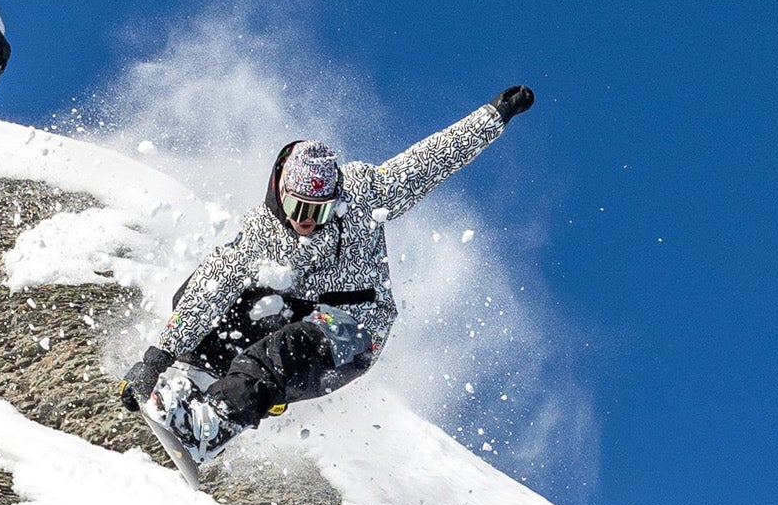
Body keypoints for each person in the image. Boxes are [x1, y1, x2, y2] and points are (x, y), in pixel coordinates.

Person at [122, 84, 535, 464]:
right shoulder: (259, 233)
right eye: (299, 209)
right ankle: (194, 378)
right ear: (280, 194)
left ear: (335, 201)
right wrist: (155, 359)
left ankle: (213, 426)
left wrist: (494, 116)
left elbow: (427, 162)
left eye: (318, 212)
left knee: (284, 349)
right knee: (208, 293)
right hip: (296, 310)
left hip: (354, 330)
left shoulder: (364, 195)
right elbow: (209, 287)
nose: (306, 222)